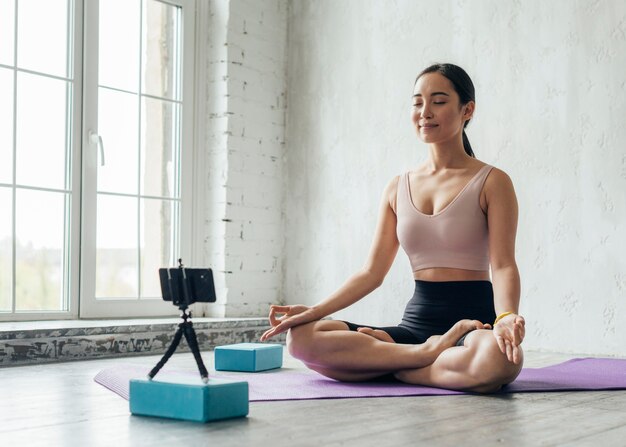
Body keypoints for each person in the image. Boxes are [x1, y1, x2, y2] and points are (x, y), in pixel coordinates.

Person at [260, 63, 525, 393]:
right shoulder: (397, 187)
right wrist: (314, 311)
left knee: (502, 361)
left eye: (439, 101)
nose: (425, 112)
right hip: (415, 328)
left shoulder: (492, 182)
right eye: (417, 102)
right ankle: (425, 355)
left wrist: (506, 317)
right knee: (301, 339)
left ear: (467, 109)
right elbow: (371, 272)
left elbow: (502, 265)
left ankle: (399, 366)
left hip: (473, 326)